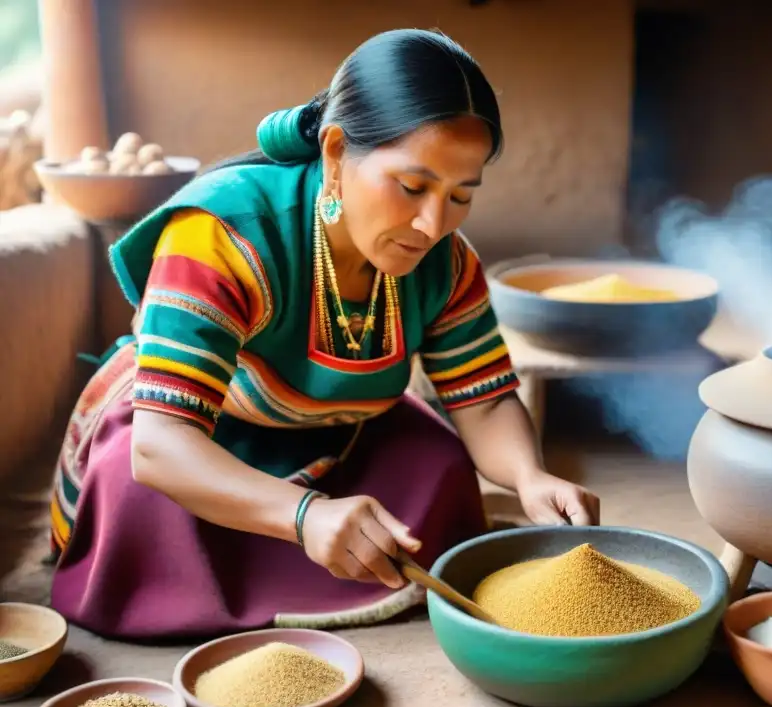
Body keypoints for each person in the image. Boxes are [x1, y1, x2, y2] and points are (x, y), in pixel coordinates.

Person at [48, 29, 600, 641]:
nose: (432, 223)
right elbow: (160, 443)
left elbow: (486, 398)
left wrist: (529, 477)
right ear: (336, 153)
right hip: (202, 437)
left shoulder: (445, 259)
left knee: (439, 465)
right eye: (413, 187)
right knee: (136, 489)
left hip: (344, 432)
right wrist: (303, 515)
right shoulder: (223, 233)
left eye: (461, 195)